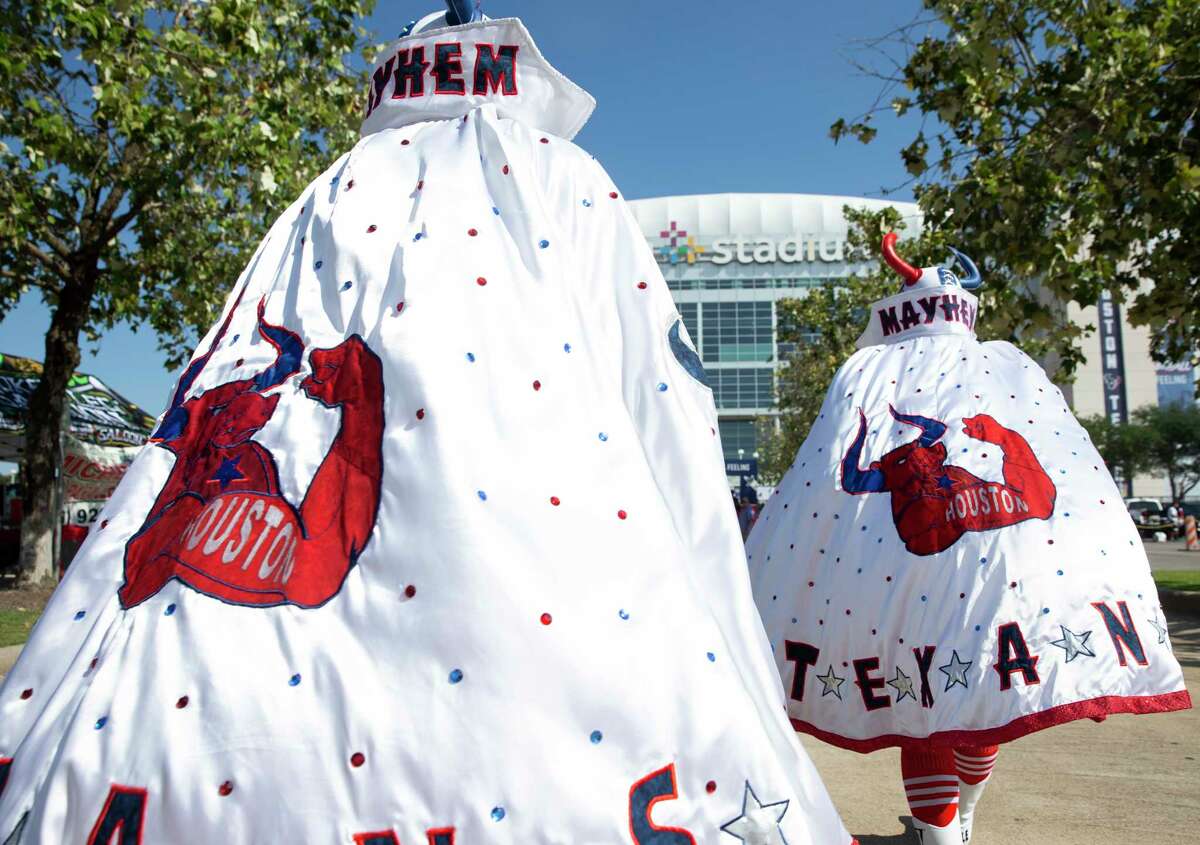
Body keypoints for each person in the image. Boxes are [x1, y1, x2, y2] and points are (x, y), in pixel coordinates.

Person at [0, 13, 851, 843]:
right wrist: (728, 643)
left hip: (205, 725)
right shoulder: (565, 179)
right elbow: (672, 415)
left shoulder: (327, 191)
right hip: (565, 637)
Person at [746, 234, 1191, 844]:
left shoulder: (870, 377)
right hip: (1006, 569)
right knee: (976, 694)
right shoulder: (1005, 369)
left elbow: (829, 476)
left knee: (929, 702)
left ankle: (944, 832)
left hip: (896, 577)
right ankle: (959, 822)